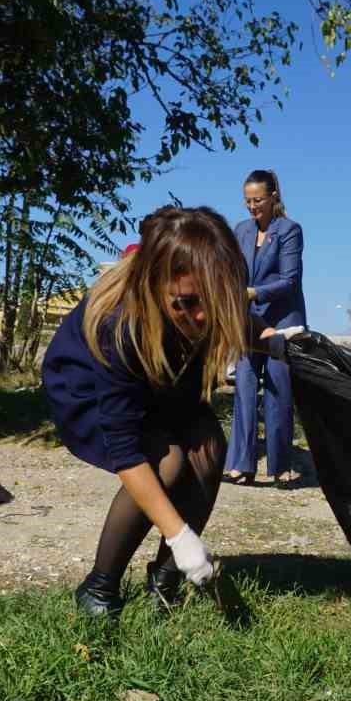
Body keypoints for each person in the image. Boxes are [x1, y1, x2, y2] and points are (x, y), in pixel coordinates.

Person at [44, 206, 301, 616]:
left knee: (208, 447)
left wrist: (273, 341)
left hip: (164, 378)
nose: (201, 317)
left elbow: (235, 317)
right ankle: (100, 586)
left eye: (209, 303)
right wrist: (179, 535)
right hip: (88, 390)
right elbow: (126, 451)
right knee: (165, 461)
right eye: (185, 304)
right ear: (153, 283)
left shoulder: (203, 293)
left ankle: (165, 579)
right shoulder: (119, 325)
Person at [224, 169, 306, 488]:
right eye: (247, 201)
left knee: (278, 391)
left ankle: (280, 467)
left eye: (257, 200)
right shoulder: (240, 230)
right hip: (248, 321)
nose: (252, 207)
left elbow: (290, 280)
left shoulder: (290, 230)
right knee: (244, 387)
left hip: (282, 321)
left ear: (273, 197)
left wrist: (254, 292)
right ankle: (241, 466)